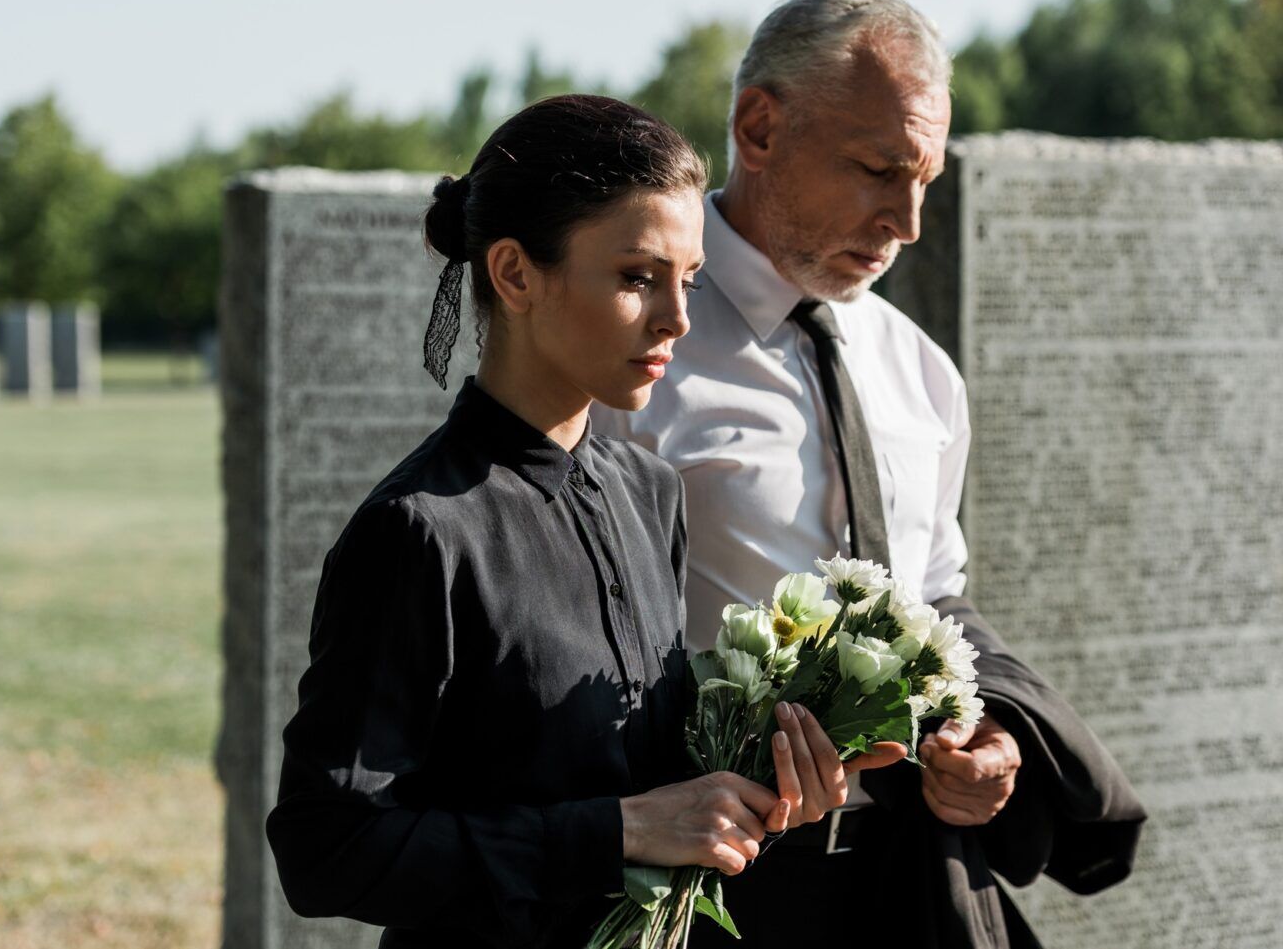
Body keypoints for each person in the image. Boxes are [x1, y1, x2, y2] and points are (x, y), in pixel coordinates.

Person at [265, 94, 904, 949]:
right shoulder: (420, 532)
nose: (678, 318)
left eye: (690, 280)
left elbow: (643, 781)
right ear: (516, 273)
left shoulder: (650, 490)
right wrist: (614, 833)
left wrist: (765, 775)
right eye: (638, 277)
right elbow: (327, 849)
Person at [592, 0, 1146, 949]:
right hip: (723, 897)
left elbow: (938, 601)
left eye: (924, 177)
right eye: (879, 168)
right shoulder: (635, 356)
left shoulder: (919, 370)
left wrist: (989, 740)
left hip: (915, 886)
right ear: (759, 128)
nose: (908, 219)